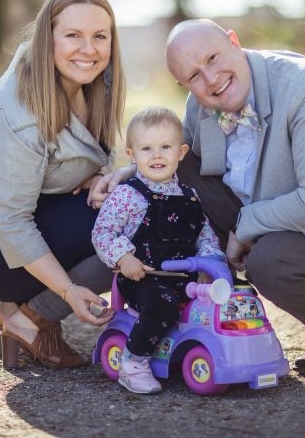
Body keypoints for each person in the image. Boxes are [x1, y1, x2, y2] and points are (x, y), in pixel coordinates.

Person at [93, 19, 305, 376]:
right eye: (194, 76)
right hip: (268, 205)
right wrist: (129, 173)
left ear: (235, 41)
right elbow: (177, 158)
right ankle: (187, 305)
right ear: (184, 84)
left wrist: (246, 226)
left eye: (213, 58)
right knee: (178, 178)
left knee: (270, 262)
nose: (211, 79)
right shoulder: (202, 104)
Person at [0, 0, 126, 369]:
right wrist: (69, 292)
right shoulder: (18, 110)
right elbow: (10, 220)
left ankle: (16, 314)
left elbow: (77, 158)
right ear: (47, 38)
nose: (88, 49)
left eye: (99, 36)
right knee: (131, 228)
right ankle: (31, 319)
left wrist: (101, 175)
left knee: (131, 207)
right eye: (72, 35)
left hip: (23, 218)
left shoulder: (92, 87)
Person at [92, 106, 224, 393]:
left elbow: (205, 235)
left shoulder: (190, 196)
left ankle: (222, 356)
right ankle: (133, 363)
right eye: (147, 148)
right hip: (143, 279)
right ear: (132, 154)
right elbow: (103, 232)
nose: (156, 155)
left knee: (229, 298)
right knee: (162, 305)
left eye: (165, 146)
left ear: (181, 151)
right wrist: (123, 257)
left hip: (185, 279)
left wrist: (210, 266)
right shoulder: (127, 195)